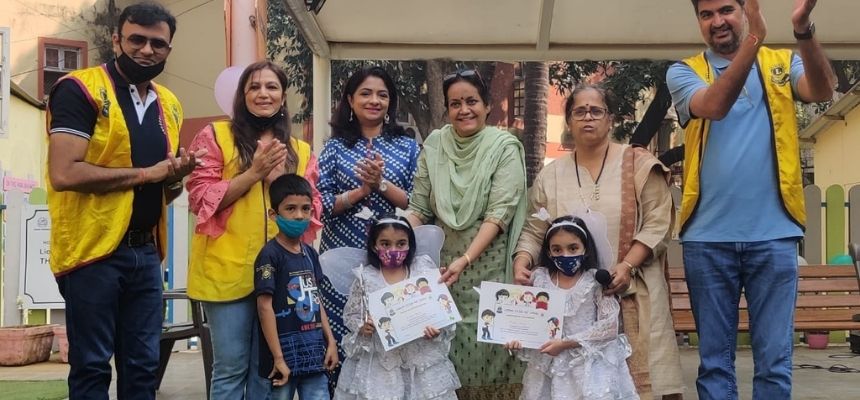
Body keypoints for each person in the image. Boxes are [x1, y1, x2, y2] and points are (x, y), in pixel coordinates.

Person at [667, 0, 835, 398]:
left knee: (775, 364)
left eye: (726, 9)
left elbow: (823, 89)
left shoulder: (782, 62)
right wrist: (754, 40)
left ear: (746, 10)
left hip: (774, 236)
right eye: (706, 14)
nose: (717, 21)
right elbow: (714, 106)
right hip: (707, 239)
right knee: (714, 365)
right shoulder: (684, 71)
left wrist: (802, 28)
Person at [45, 3, 198, 399]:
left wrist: (175, 178)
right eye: (137, 40)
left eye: (158, 44)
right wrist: (148, 174)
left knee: (143, 367)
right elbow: (64, 173)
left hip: (145, 253)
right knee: (92, 366)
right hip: (92, 253)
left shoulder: (170, 103)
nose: (147, 50)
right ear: (116, 40)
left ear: (168, 49)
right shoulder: (79, 88)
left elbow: (166, 189)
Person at [514, 84, 684, 399]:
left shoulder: (638, 163)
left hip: (634, 290)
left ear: (610, 119)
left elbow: (658, 222)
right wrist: (522, 260)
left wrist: (627, 265)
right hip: (575, 307)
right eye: (579, 111)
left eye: (596, 111)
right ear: (569, 121)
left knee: (642, 385)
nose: (588, 117)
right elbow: (534, 230)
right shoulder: (550, 175)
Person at [186, 61, 321, 399]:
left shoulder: (300, 150)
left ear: (283, 97)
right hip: (226, 272)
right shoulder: (215, 136)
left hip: (281, 277)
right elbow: (200, 198)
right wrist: (254, 173)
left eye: (272, 87)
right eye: (254, 87)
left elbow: (312, 212)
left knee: (267, 371)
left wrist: (280, 181)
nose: (263, 94)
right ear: (242, 96)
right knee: (230, 368)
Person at [406, 69, 527, 399]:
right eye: (455, 104)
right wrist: (391, 240)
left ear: (487, 105)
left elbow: (499, 214)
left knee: (490, 353)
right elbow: (419, 207)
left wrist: (466, 258)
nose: (464, 110)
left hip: (490, 268)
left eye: (471, 101)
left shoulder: (504, 147)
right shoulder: (435, 144)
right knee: (445, 355)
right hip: (443, 274)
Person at [317, 66, 420, 390]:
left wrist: (381, 184)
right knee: (344, 334)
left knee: (391, 336)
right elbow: (319, 204)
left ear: (391, 102)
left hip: (391, 260)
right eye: (366, 93)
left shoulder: (407, 147)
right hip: (341, 257)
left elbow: (418, 201)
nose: (374, 100)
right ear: (350, 99)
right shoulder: (335, 147)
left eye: (382, 95)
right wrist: (360, 192)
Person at [506, 216, 638, 400]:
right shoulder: (539, 279)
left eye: (573, 248)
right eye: (557, 249)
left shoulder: (595, 281)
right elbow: (527, 319)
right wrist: (516, 338)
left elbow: (609, 327)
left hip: (590, 366)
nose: (565, 255)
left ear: (585, 249)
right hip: (549, 367)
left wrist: (566, 344)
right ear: (549, 252)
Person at [334, 215, 460, 400]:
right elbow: (352, 314)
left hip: (420, 357)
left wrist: (437, 330)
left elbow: (440, 309)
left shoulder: (422, 269)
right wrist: (363, 326)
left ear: (410, 244)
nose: (393, 250)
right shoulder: (365, 277)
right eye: (385, 244)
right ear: (374, 245)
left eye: (401, 244)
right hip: (381, 362)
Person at [255, 174, 338, 400]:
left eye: (305, 209)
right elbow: (264, 307)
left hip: (314, 355)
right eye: (290, 208)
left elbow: (316, 299)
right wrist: (278, 358)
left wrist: (330, 341)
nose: (299, 215)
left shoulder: (310, 253)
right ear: (274, 214)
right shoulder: (269, 255)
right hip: (283, 360)